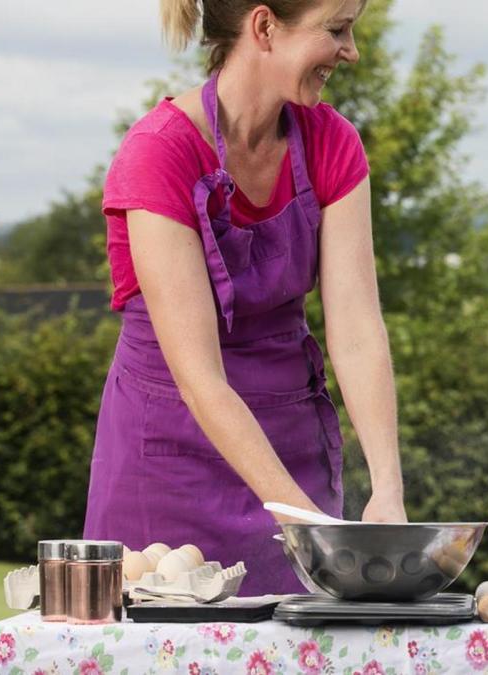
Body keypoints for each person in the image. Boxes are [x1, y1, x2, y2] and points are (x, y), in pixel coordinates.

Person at [83, 0, 406, 595]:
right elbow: (200, 378)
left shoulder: (333, 143)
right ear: (264, 27)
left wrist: (387, 487)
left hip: (290, 445)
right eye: (336, 30)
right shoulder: (159, 153)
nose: (351, 51)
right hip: (166, 464)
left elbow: (356, 329)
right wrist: (305, 524)